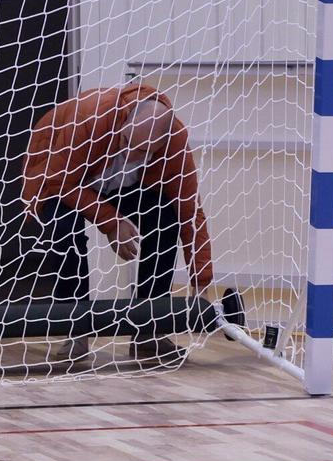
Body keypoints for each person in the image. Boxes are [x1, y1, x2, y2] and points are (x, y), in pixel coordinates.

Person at [20, 84, 214, 367]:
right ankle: (75, 329)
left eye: (143, 151)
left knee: (165, 218)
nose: (132, 155)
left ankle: (149, 327)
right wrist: (111, 223)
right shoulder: (89, 118)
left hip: (117, 185)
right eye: (127, 144)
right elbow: (59, 181)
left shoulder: (175, 143)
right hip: (61, 179)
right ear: (123, 122)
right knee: (65, 232)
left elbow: (189, 212)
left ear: (161, 144)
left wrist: (201, 281)